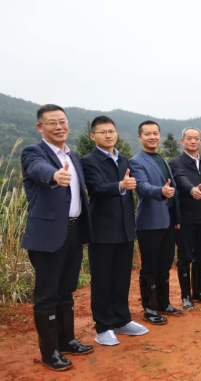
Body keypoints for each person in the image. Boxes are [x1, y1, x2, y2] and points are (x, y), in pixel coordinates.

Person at [21, 104, 94, 371]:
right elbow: (36, 168)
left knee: (67, 290)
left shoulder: (72, 155)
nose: (59, 126)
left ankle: (67, 340)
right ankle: (49, 352)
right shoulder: (33, 152)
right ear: (40, 127)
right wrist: (54, 174)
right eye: (52, 123)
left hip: (73, 231)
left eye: (62, 121)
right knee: (46, 294)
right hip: (48, 235)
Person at [80, 116, 149, 346]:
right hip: (102, 230)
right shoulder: (88, 161)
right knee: (102, 280)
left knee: (121, 278)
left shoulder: (123, 160)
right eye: (102, 132)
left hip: (125, 229)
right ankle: (103, 326)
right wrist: (120, 185)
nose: (108, 135)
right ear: (93, 136)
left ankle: (122, 320)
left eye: (111, 131)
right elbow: (97, 189)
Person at [130, 120, 183, 324]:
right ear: (140, 137)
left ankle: (164, 303)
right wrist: (160, 191)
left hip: (168, 222)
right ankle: (149, 308)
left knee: (165, 265)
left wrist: (177, 218)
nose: (152, 137)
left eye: (155, 133)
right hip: (149, 223)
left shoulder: (161, 158)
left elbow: (174, 191)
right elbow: (142, 187)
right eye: (147, 134)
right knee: (150, 267)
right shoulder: (136, 161)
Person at [169, 127, 201, 308]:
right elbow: (180, 179)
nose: (193, 141)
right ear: (182, 141)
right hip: (185, 219)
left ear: (200, 141)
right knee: (184, 257)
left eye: (196, 138)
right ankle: (185, 296)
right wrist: (191, 189)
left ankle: (199, 292)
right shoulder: (175, 163)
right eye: (189, 138)